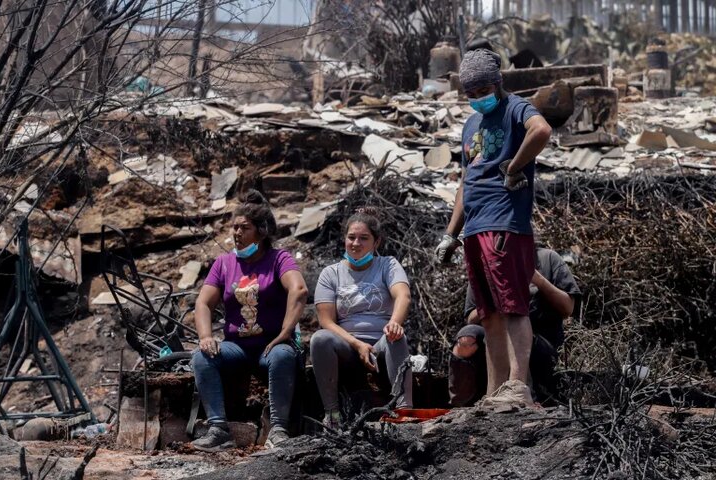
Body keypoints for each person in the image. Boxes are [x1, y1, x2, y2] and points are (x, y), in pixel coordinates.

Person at [434, 48, 552, 407]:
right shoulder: (471, 125)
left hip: (505, 222)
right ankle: (495, 391)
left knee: (513, 305)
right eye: (470, 93)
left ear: (498, 82)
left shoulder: (517, 107)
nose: (476, 98)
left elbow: (542, 130)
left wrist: (515, 166)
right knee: (489, 315)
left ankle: (518, 385)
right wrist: (450, 234)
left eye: (482, 90)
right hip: (474, 228)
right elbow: (465, 182)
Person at [191, 191, 308, 451]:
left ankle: (278, 430)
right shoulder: (223, 263)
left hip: (271, 345)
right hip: (237, 348)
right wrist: (205, 336)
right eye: (234, 227)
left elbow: (298, 290)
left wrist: (286, 332)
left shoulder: (279, 259)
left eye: (245, 228)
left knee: (282, 356)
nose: (237, 233)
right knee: (201, 357)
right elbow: (203, 302)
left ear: (262, 231)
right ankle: (219, 430)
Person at [311, 208, 413, 429]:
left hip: (381, 342)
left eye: (364, 238)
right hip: (347, 344)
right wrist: (357, 344)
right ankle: (333, 415)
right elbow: (326, 321)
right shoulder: (331, 273)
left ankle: (404, 411)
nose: (356, 243)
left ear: (376, 242)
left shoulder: (388, 265)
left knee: (397, 336)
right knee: (320, 338)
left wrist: (395, 322)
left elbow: (402, 295)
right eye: (351, 237)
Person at [449, 247, 581, 407]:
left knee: (514, 333)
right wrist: (494, 300)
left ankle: (524, 396)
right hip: (493, 339)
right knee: (467, 336)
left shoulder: (547, 258)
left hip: (541, 346)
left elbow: (568, 307)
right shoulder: (484, 266)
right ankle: (460, 403)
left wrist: (538, 280)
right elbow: (471, 318)